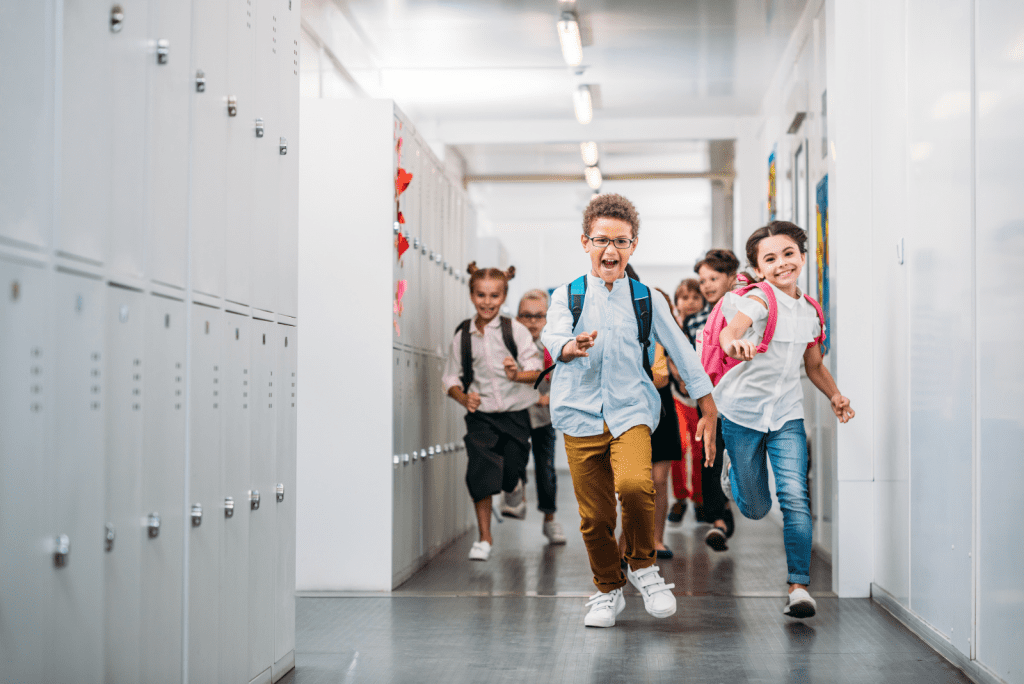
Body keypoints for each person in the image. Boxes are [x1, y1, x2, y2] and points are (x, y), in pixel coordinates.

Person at [541, 193, 718, 628]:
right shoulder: (567, 295)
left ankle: (642, 566)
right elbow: (552, 337)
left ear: (633, 245)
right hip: (579, 415)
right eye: (601, 240)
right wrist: (570, 346)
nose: (610, 250)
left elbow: (682, 350)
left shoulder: (646, 299)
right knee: (594, 517)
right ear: (586, 242)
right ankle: (606, 590)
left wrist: (709, 408)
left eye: (620, 241)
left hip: (631, 412)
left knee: (638, 487)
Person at [716, 221, 854, 618]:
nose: (781, 264)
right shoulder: (759, 300)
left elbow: (813, 365)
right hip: (741, 412)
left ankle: (798, 587)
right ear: (759, 269)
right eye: (770, 259)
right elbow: (729, 333)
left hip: (787, 414)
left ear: (802, 257)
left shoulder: (811, 310)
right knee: (757, 508)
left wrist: (835, 395)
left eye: (788, 254)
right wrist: (736, 342)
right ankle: (735, 474)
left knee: (795, 497)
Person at [442, 263, 543, 562]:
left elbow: (536, 371)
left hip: (515, 414)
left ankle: (514, 487)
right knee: (480, 471)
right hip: (481, 414)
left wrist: (516, 375)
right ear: (472, 295)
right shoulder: (463, 335)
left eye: (494, 296)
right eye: (481, 295)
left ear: (503, 297)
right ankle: (484, 537)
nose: (487, 302)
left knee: (511, 470)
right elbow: (450, 378)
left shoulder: (517, 331)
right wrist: (463, 398)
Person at [686, 249, 741, 551]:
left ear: (731, 278)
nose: (706, 285)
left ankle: (729, 507)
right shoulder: (695, 321)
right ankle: (718, 520)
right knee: (709, 456)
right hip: (708, 398)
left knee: (734, 458)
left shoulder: (743, 312)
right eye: (702, 279)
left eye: (713, 278)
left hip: (738, 399)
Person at [514, 289, 567, 544]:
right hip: (516, 414)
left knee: (545, 468)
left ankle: (550, 519)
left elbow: (565, 377)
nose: (533, 321)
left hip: (544, 415)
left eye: (539, 316)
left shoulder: (553, 345)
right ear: (517, 318)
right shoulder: (511, 344)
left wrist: (551, 397)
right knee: (514, 459)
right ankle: (516, 496)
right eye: (526, 316)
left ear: (548, 318)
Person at [667, 279, 706, 524]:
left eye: (695, 297)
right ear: (677, 302)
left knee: (700, 450)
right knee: (679, 447)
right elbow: (667, 354)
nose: (690, 302)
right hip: (677, 395)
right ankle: (680, 498)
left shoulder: (705, 325)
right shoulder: (671, 326)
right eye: (684, 298)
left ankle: (699, 499)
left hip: (701, 398)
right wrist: (679, 376)